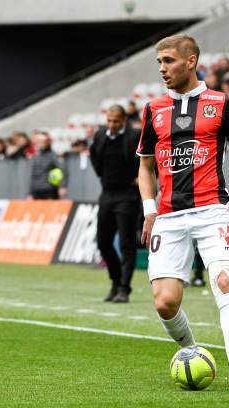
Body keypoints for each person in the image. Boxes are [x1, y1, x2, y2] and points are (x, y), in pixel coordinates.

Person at [137, 35, 229, 391]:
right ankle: (191, 351)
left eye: (168, 61)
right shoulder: (153, 110)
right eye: (159, 62)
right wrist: (149, 210)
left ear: (191, 61)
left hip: (213, 211)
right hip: (168, 216)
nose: (162, 69)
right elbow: (145, 167)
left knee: (223, 282)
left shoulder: (222, 103)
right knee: (165, 302)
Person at [90, 105, 141, 303]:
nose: (111, 125)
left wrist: (140, 179)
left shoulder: (134, 136)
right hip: (107, 193)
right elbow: (95, 158)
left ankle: (124, 288)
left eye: (115, 121)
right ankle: (116, 281)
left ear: (124, 121)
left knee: (126, 243)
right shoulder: (101, 135)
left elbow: (147, 159)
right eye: (109, 121)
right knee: (103, 241)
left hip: (128, 194)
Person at [28, 132, 67, 200]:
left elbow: (63, 169)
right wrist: (30, 193)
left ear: (48, 142)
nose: (41, 143)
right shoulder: (37, 156)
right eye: (39, 141)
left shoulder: (53, 156)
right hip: (36, 190)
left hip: (49, 190)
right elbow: (33, 175)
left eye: (43, 141)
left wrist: (62, 186)